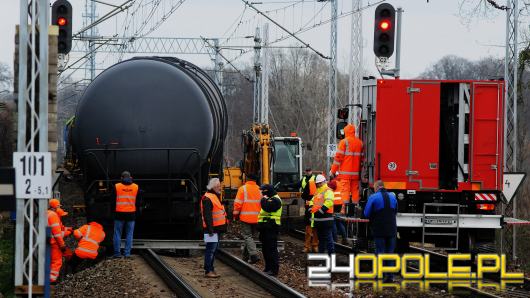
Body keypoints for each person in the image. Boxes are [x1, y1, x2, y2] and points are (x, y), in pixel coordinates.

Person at [363, 180, 398, 282]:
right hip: (392, 229)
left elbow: (366, 213)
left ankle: (379, 275)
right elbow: (395, 211)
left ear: (377, 187)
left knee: (380, 251)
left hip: (379, 229)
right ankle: (390, 276)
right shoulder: (393, 197)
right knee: (390, 253)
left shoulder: (373, 197)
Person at [329, 124, 363, 209]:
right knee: (355, 191)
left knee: (345, 191)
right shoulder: (360, 143)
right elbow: (362, 159)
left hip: (345, 174)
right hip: (356, 174)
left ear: (346, 132)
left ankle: (345, 209)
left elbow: (338, 159)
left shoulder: (344, 142)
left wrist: (332, 171)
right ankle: (356, 208)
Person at [201, 178, 227, 278]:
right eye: (218, 186)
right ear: (213, 186)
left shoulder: (214, 196)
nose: (220, 187)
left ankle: (210, 269)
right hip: (211, 230)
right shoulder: (207, 198)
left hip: (216, 229)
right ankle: (208, 270)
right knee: (210, 250)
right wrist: (210, 230)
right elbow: (207, 216)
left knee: (214, 250)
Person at [233, 173, 261, 264]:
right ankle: (245, 257)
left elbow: (237, 204)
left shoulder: (242, 189)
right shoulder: (260, 190)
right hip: (257, 218)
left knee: (247, 236)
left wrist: (235, 216)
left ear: (247, 179)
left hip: (245, 218)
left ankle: (254, 255)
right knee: (250, 237)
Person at [290, 167, 318, 252]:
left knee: (314, 228)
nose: (308, 172)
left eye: (309, 171)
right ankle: (308, 246)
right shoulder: (307, 181)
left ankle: (313, 246)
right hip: (309, 207)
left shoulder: (315, 180)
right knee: (309, 228)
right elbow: (299, 187)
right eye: (307, 171)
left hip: (316, 208)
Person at [113, 171, 139, 258]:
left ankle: (117, 254)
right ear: (130, 177)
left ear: (121, 178)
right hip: (131, 214)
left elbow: (112, 201)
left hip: (119, 214)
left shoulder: (117, 186)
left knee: (117, 234)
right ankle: (127, 253)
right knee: (129, 234)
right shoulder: (136, 187)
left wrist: (113, 212)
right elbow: (138, 202)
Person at [257, 184, 282, 277]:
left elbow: (267, 207)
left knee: (271, 249)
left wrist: (263, 199)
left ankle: (274, 269)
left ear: (267, 191)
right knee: (265, 248)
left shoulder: (275, 199)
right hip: (265, 227)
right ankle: (268, 268)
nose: (262, 193)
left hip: (272, 227)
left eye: (263, 191)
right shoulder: (269, 198)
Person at [310, 175, 335, 254]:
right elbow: (312, 201)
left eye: (320, 183)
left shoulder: (328, 191)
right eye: (317, 183)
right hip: (319, 220)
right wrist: (310, 207)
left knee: (328, 240)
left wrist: (320, 211)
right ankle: (322, 259)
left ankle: (331, 259)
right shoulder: (317, 192)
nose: (318, 184)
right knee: (321, 241)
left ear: (324, 182)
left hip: (326, 220)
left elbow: (329, 202)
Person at [47, 199, 67, 283]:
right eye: (58, 206)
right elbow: (57, 234)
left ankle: (47, 279)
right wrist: (62, 245)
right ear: (55, 207)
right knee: (57, 262)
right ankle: (51, 281)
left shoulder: (46, 213)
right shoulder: (53, 215)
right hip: (54, 243)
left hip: (46, 241)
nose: (59, 207)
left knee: (48, 261)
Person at [328, 180, 347, 244]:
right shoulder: (340, 186)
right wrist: (343, 209)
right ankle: (345, 239)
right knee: (340, 224)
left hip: (334, 208)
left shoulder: (332, 186)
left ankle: (335, 240)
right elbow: (343, 200)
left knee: (333, 224)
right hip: (340, 208)